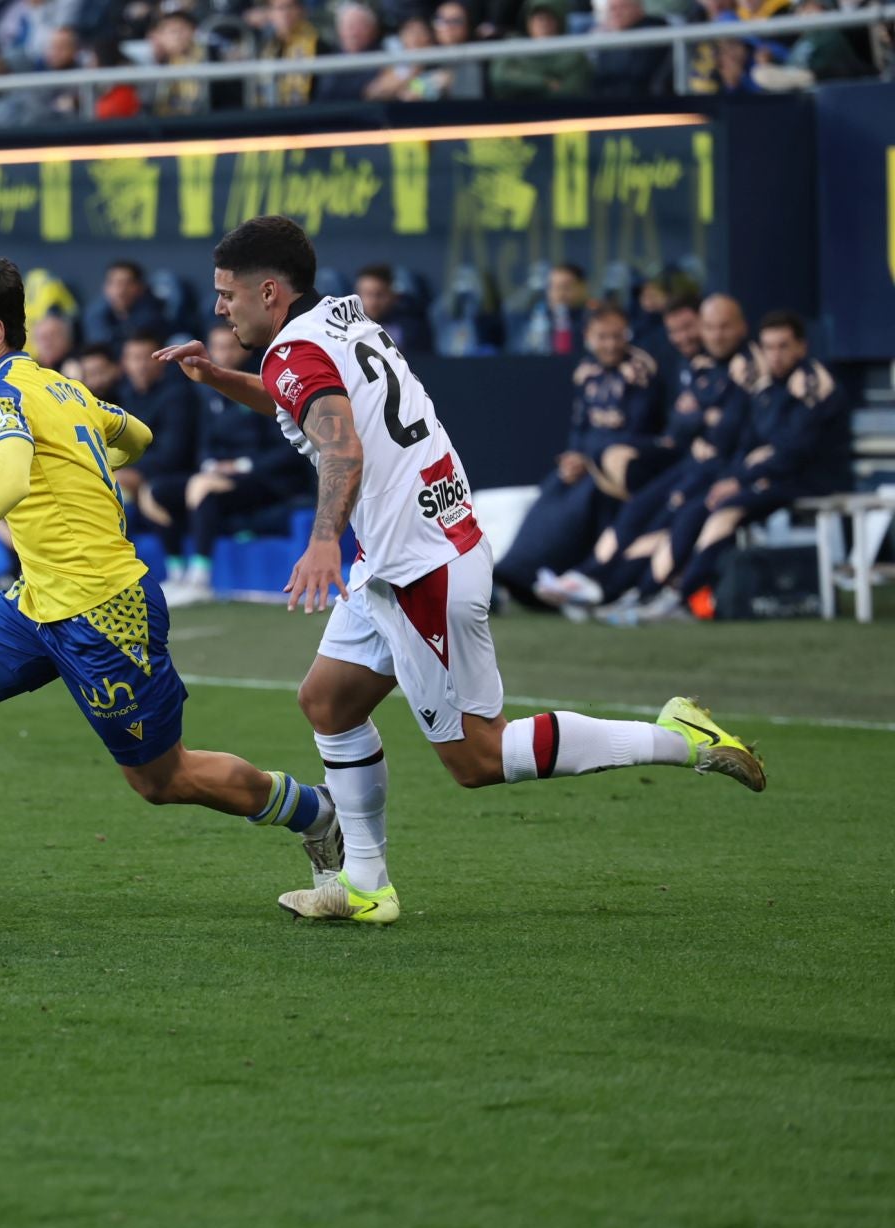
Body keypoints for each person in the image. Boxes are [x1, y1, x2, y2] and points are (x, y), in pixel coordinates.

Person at [153, 216, 766, 924]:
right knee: (328, 702)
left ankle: (680, 737)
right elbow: (310, 401)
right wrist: (220, 377)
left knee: (478, 758)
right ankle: (364, 884)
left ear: (270, 292)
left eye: (229, 294)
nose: (221, 306)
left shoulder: (294, 353)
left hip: (422, 567)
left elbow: (341, 445)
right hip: (406, 553)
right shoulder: (337, 321)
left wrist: (323, 539)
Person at [0, 257, 347, 902]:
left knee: (162, 779)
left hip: (103, 610)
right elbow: (135, 434)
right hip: (37, 601)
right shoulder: (60, 388)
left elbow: (5, 479)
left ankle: (317, 813)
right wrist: (87, 464)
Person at [612, 310, 850, 623]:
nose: (775, 355)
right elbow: (749, 443)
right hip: (769, 476)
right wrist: (735, 476)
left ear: (801, 348)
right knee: (695, 509)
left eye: (783, 346)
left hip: (810, 479)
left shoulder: (811, 383)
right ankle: (651, 591)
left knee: (723, 513)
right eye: (768, 347)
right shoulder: (766, 386)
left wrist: (741, 479)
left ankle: (684, 599)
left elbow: (793, 452)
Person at [539, 295, 759, 614]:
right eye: (710, 327)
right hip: (694, 463)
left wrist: (704, 422)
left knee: (673, 518)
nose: (715, 334)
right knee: (638, 508)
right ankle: (588, 579)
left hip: (725, 471)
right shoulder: (703, 365)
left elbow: (734, 430)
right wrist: (702, 419)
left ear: (742, 327)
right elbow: (680, 426)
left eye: (724, 326)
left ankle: (628, 591)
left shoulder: (748, 366)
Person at [495, 304, 665, 606]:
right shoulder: (587, 372)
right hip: (586, 463)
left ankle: (558, 582)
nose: (610, 344)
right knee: (553, 488)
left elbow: (638, 431)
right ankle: (514, 574)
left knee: (582, 501)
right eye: (602, 337)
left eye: (617, 336)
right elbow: (580, 426)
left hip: (623, 470)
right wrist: (573, 457)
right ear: (588, 337)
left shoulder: (640, 371)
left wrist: (590, 459)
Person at [161, 324, 315, 606]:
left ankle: (200, 577)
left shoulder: (263, 382)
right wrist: (211, 466)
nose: (224, 353)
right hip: (218, 476)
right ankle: (177, 571)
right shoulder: (208, 391)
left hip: (266, 479)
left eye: (230, 346)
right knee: (158, 492)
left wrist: (240, 466)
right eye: (218, 347)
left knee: (204, 490)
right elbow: (205, 443)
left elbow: (288, 450)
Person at [114, 330, 200, 580]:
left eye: (145, 357)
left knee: (128, 489)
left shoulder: (178, 395)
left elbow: (174, 454)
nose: (140, 365)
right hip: (136, 474)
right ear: (124, 362)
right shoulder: (125, 395)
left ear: (161, 360)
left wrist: (132, 473)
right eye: (133, 358)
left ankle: (169, 570)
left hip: (176, 475)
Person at [81, 261, 168, 346]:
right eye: (114, 283)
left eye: (127, 283)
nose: (120, 291)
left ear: (140, 287)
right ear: (105, 287)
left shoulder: (153, 314)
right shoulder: (95, 314)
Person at [354, 264, 433, 355]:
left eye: (379, 295)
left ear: (394, 296)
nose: (373, 302)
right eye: (367, 294)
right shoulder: (345, 328)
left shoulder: (413, 329)